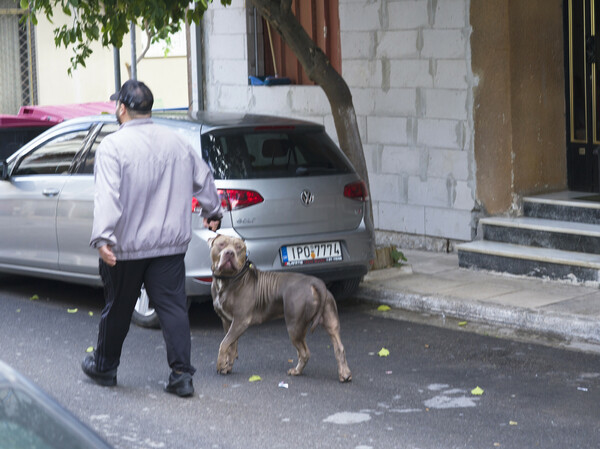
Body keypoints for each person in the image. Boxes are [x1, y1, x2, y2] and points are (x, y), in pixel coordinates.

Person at [82, 80, 222, 397]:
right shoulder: (177, 142)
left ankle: (104, 367)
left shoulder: (112, 147)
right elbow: (204, 178)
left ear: (121, 108)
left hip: (125, 248)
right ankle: (181, 376)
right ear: (148, 110)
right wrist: (213, 210)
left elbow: (107, 197)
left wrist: (102, 237)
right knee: (173, 308)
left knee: (117, 307)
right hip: (169, 245)